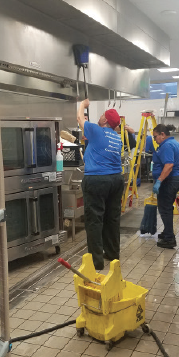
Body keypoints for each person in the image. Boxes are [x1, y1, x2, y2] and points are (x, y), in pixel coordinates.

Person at [77, 98, 124, 270]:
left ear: (105, 120)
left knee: (94, 220)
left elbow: (80, 119)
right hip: (116, 180)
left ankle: (96, 262)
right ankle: (112, 254)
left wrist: (83, 105)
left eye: (102, 115)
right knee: (112, 218)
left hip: (97, 180)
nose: (100, 116)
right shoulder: (116, 137)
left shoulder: (96, 130)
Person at [152, 124, 179, 249]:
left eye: (155, 137)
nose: (155, 140)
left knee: (164, 209)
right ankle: (167, 232)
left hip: (169, 180)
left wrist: (159, 180)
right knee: (167, 207)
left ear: (162, 134)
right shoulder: (176, 143)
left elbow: (169, 165)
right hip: (176, 178)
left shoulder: (166, 146)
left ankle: (169, 239)